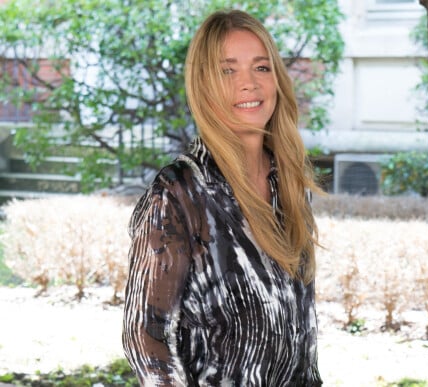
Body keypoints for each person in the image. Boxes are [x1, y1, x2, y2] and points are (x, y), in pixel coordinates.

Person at [122, 9, 323, 387]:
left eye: (261, 68)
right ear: (204, 85)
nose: (249, 84)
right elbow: (145, 339)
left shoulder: (290, 184)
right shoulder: (178, 193)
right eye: (227, 71)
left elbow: (301, 328)